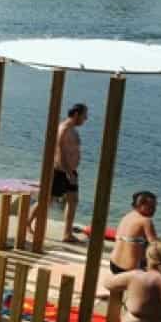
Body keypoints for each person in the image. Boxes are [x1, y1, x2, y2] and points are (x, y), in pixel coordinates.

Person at [54, 103, 88, 242]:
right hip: (61, 170)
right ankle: (27, 224)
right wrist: (68, 172)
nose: (86, 119)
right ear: (76, 114)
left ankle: (67, 234)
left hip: (70, 171)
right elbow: (59, 152)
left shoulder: (72, 129)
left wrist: (71, 171)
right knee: (47, 200)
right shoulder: (64, 129)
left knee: (73, 200)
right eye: (84, 116)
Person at [109, 191, 159, 274]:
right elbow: (156, 247)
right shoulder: (146, 221)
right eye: (151, 206)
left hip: (114, 264)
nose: (154, 209)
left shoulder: (127, 216)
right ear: (140, 205)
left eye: (155, 206)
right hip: (129, 269)